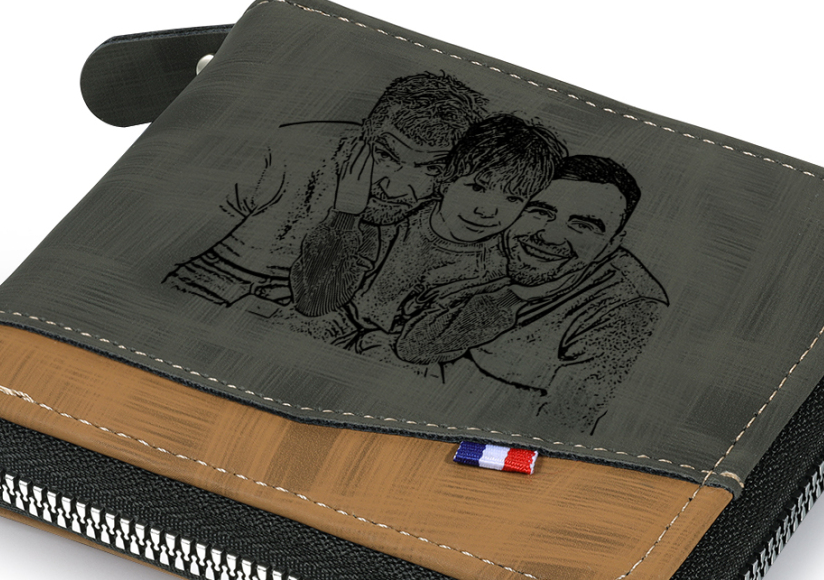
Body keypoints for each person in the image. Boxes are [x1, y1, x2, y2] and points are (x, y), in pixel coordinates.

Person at [162, 71, 488, 310]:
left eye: (431, 169)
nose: (396, 189)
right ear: (364, 133)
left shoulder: (437, 207)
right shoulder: (283, 155)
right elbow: (165, 244)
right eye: (385, 155)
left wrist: (346, 215)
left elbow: (316, 302)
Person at [393, 155, 668, 432]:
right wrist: (510, 297)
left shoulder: (633, 308)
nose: (549, 236)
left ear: (611, 244)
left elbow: (560, 428)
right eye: (540, 212)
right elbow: (414, 346)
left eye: (583, 226)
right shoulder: (493, 246)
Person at [288, 115, 567, 345]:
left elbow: (422, 346)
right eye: (477, 187)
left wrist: (511, 298)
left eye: (512, 199)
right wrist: (345, 215)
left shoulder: (496, 269)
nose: (487, 211)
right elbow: (314, 302)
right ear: (446, 181)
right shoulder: (391, 226)